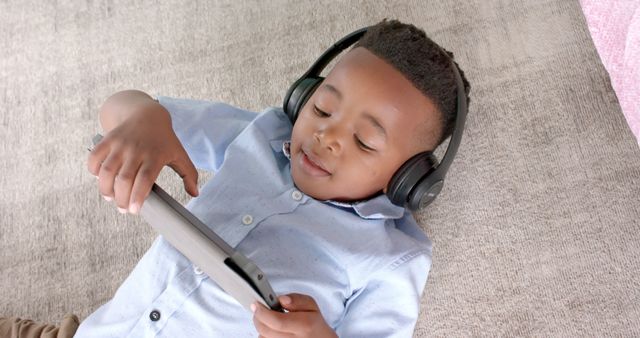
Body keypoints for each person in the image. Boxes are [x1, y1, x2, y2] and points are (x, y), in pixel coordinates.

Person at [1, 19, 470, 337]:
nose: (326, 135)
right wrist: (142, 118)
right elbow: (121, 108)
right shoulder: (262, 134)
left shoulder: (391, 258)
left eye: (365, 141)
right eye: (322, 107)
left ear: (411, 179)